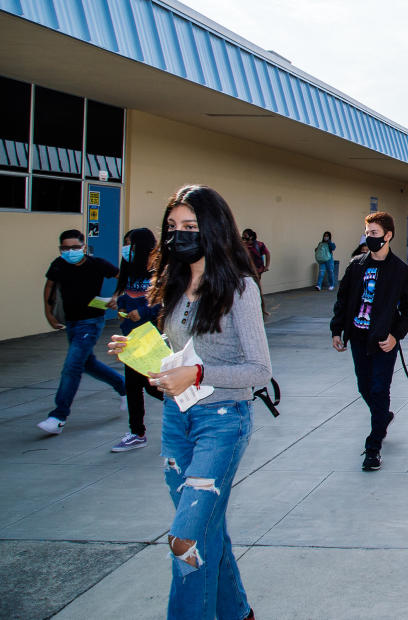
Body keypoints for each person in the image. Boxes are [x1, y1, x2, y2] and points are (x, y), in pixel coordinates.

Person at [108, 184, 272, 620]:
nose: (179, 234)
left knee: (185, 540)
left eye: (190, 226)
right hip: (177, 422)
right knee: (208, 529)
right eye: (173, 226)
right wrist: (144, 352)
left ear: (213, 229)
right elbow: (180, 352)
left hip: (222, 423)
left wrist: (196, 374)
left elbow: (259, 371)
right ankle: (238, 613)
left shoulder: (240, 289)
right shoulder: (176, 284)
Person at [331, 211, 408, 469]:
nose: (369, 237)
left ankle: (374, 445)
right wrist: (337, 330)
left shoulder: (399, 271)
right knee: (365, 387)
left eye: (374, 233)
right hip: (358, 338)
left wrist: (395, 336)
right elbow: (343, 300)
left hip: (383, 341)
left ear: (388, 235)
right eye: (367, 233)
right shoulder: (356, 265)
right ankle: (383, 417)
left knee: (380, 389)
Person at [37, 229, 125, 435]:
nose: (70, 251)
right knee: (87, 363)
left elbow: (123, 277)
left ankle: (58, 416)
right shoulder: (58, 265)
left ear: (84, 247)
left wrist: (116, 296)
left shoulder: (97, 264)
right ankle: (124, 387)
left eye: (75, 247)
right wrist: (49, 313)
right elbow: (49, 286)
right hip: (72, 322)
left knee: (72, 366)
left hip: (91, 322)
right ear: (60, 249)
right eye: (65, 248)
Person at [109, 228, 163, 452]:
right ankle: (136, 432)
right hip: (130, 336)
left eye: (130, 245)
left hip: (150, 336)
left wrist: (144, 312)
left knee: (150, 386)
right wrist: (120, 304)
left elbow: (163, 302)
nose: (126, 249)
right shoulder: (129, 271)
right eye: (125, 244)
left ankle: (190, 411)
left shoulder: (158, 271)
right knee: (133, 385)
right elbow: (127, 295)